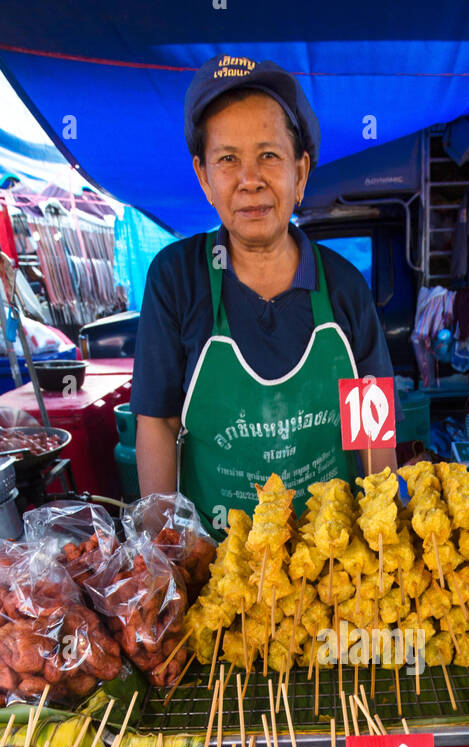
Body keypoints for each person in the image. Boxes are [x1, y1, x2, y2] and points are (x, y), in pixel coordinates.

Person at [131, 55, 398, 538]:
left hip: (331, 561)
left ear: (301, 172)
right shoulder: (175, 279)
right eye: (228, 159)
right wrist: (165, 549)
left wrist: (381, 536)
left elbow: (372, 431)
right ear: (203, 176)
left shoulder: (344, 287)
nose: (249, 179)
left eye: (269, 156)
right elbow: (158, 422)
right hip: (215, 560)